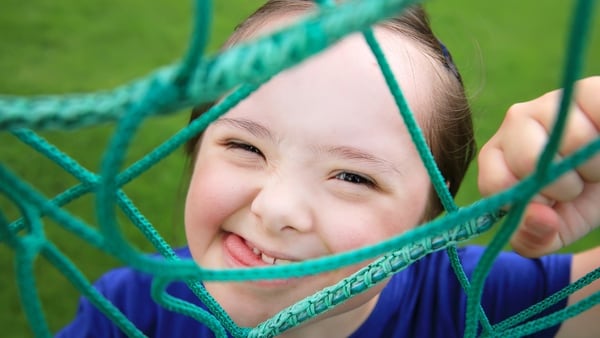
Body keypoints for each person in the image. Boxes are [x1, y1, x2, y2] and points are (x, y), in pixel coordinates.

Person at [57, 1, 600, 337]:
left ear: (432, 222)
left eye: (353, 177)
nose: (275, 209)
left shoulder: (471, 299)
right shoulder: (130, 307)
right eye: (246, 146)